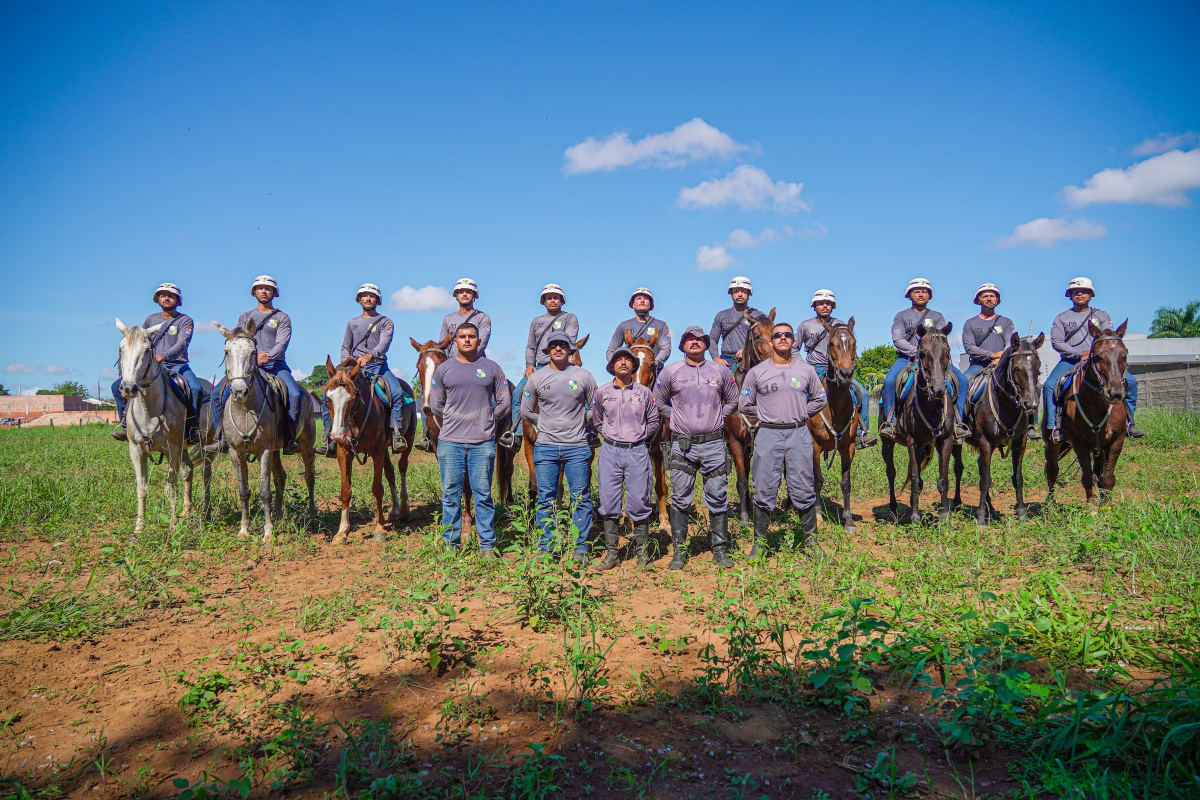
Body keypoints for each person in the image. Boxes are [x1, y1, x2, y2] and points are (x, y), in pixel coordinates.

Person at [653, 326, 739, 570]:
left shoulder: (721, 371)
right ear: (682, 346)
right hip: (682, 445)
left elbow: (733, 399)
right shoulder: (671, 372)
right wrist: (676, 416)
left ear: (705, 345)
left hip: (713, 444)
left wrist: (720, 414)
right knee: (680, 497)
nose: (695, 343)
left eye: (700, 340)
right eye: (689, 340)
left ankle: (720, 550)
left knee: (718, 496)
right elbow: (657, 400)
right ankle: (680, 551)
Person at [741, 321, 828, 557]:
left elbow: (820, 398)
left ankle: (811, 542)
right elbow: (744, 403)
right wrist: (767, 416)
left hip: (798, 433)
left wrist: (802, 412)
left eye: (787, 335)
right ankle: (759, 543)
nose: (782, 338)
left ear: (793, 341)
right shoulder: (756, 372)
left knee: (803, 484)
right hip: (767, 434)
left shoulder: (806, 370)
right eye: (777, 335)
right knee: (763, 486)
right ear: (770, 342)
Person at [428, 322, 510, 557]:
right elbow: (436, 404)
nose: (467, 340)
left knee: (483, 494)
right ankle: (450, 546)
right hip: (450, 441)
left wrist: (487, 418)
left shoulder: (493, 368)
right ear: (455, 341)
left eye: (471, 336)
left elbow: (504, 401)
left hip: (482, 442)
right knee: (450, 494)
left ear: (478, 340)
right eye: (462, 336)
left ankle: (487, 546)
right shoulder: (444, 370)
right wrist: (455, 419)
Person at [521, 333, 597, 564]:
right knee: (546, 497)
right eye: (553, 346)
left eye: (563, 345)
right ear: (548, 350)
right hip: (546, 447)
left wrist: (582, 421)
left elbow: (596, 406)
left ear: (570, 349)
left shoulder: (584, 375)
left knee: (581, 498)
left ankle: (580, 547)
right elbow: (525, 410)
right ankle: (547, 546)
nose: (558, 349)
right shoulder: (536, 378)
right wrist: (541, 424)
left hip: (577, 446)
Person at [208, 276, 303, 453]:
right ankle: (221, 438)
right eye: (260, 288)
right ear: (254, 292)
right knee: (216, 394)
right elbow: (238, 340)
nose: (264, 291)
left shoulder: (283, 317)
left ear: (274, 293)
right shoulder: (245, 316)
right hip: (245, 368)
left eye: (268, 289)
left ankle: (289, 439)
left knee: (295, 395)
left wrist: (266, 356)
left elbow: (282, 343)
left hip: (275, 366)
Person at [317, 283, 412, 456]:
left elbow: (385, 343)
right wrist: (346, 365)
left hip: (378, 367)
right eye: (365, 295)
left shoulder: (386, 322)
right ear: (359, 299)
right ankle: (328, 437)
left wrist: (371, 355)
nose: (368, 298)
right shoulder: (352, 323)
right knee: (326, 396)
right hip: (354, 371)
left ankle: (396, 434)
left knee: (397, 393)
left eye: (372, 296)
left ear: (378, 300)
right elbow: (346, 346)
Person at [1044, 277, 1144, 442]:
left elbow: (1109, 338)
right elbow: (1057, 342)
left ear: (1091, 295)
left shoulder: (1102, 315)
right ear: (1070, 295)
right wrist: (1078, 353)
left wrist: (1092, 354)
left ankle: (1129, 423)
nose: (1080, 294)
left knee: (1131, 382)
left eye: (1084, 291)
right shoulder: (1061, 318)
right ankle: (1054, 426)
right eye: (1075, 292)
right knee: (1049, 386)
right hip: (1070, 360)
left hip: (1099, 360)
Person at [592, 346, 660, 570]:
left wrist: (638, 437)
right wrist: (613, 436)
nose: (623, 362)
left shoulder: (644, 393)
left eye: (627, 360)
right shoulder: (602, 392)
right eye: (618, 360)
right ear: (612, 366)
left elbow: (653, 421)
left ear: (634, 366)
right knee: (609, 502)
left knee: (639, 501)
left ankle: (642, 554)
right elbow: (598, 421)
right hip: (610, 452)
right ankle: (612, 554)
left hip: (637, 451)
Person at [878, 278, 970, 443]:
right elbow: (898, 339)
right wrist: (918, 352)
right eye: (916, 291)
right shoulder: (901, 316)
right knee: (890, 381)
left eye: (924, 291)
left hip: (934, 360)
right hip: (906, 359)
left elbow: (942, 339)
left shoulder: (937, 316)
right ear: (910, 295)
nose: (920, 294)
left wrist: (931, 355)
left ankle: (958, 423)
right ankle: (890, 422)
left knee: (962, 380)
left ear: (929, 295)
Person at [111, 282, 202, 443]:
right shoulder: (150, 319)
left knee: (196, 388)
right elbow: (141, 342)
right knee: (116, 386)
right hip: (150, 367)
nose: (166, 298)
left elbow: (182, 344)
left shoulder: (185, 320)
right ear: (158, 299)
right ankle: (126, 426)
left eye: (171, 295)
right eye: (163, 295)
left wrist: (165, 356)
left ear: (178, 300)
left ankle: (192, 428)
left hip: (177, 365)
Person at [503, 284, 580, 451]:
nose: (552, 300)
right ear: (543, 301)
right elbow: (530, 346)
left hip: (563, 366)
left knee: (583, 392)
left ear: (562, 300)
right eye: (549, 297)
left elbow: (569, 340)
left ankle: (589, 432)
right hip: (539, 367)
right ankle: (515, 435)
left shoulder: (570, 318)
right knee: (517, 393)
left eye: (556, 297)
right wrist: (530, 365)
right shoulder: (536, 322)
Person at [796, 289, 877, 448]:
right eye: (820, 303)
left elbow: (849, 346)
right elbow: (794, 348)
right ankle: (796, 432)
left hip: (839, 369)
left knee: (864, 393)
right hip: (815, 368)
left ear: (833, 306)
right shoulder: (805, 325)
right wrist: (805, 366)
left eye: (828, 303)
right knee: (798, 395)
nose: (824, 306)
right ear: (814, 306)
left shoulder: (841, 324)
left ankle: (862, 433)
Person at [605, 288, 671, 370]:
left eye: (646, 298)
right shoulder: (624, 325)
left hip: (655, 370)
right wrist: (617, 365)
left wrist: (655, 363)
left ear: (650, 304)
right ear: (633, 304)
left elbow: (666, 349)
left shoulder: (661, 325)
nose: (642, 301)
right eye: (638, 298)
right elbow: (611, 350)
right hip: (629, 373)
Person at [709, 276, 762, 371]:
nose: (740, 294)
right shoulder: (721, 315)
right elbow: (712, 339)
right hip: (726, 361)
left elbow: (764, 340)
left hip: (751, 360)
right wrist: (716, 358)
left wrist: (747, 350)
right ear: (731, 294)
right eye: (736, 291)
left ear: (749, 294)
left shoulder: (758, 315)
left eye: (743, 292)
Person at [438, 278, 492, 358]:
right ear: (456, 295)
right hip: (452, 364)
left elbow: (481, 345)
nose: (464, 294)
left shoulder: (482, 318)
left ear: (474, 295)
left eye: (468, 292)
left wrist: (463, 361)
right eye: (461, 292)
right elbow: (442, 347)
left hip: (475, 364)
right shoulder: (448, 319)